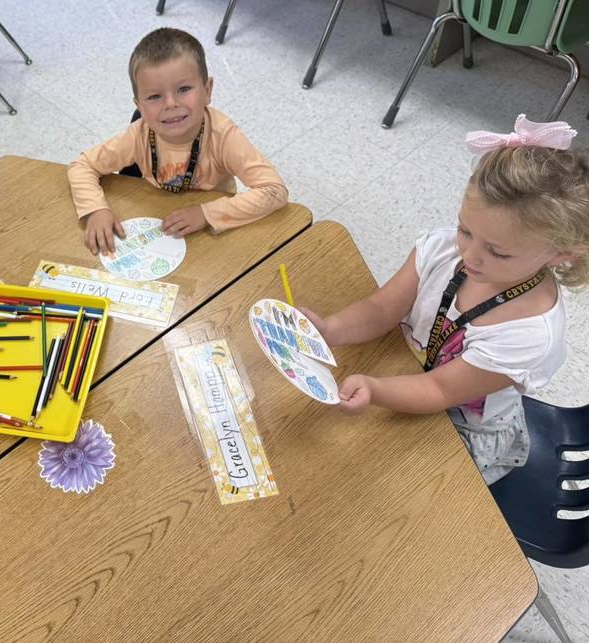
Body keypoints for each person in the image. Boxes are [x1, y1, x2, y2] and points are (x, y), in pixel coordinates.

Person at [303, 115, 588, 484]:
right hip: (405, 370)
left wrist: (374, 389)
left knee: (374, 487)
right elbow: (380, 308)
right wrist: (331, 329)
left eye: (498, 253)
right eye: (465, 230)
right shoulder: (441, 249)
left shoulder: (529, 336)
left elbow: (439, 391)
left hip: (463, 424)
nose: (470, 256)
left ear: (560, 255)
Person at [68, 28, 288, 255]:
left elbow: (275, 191)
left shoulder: (223, 136)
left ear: (207, 90)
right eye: (154, 96)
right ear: (139, 106)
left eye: (183, 89)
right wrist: (96, 210)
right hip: (157, 216)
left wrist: (205, 214)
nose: (170, 104)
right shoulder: (138, 134)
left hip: (209, 228)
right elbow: (82, 165)